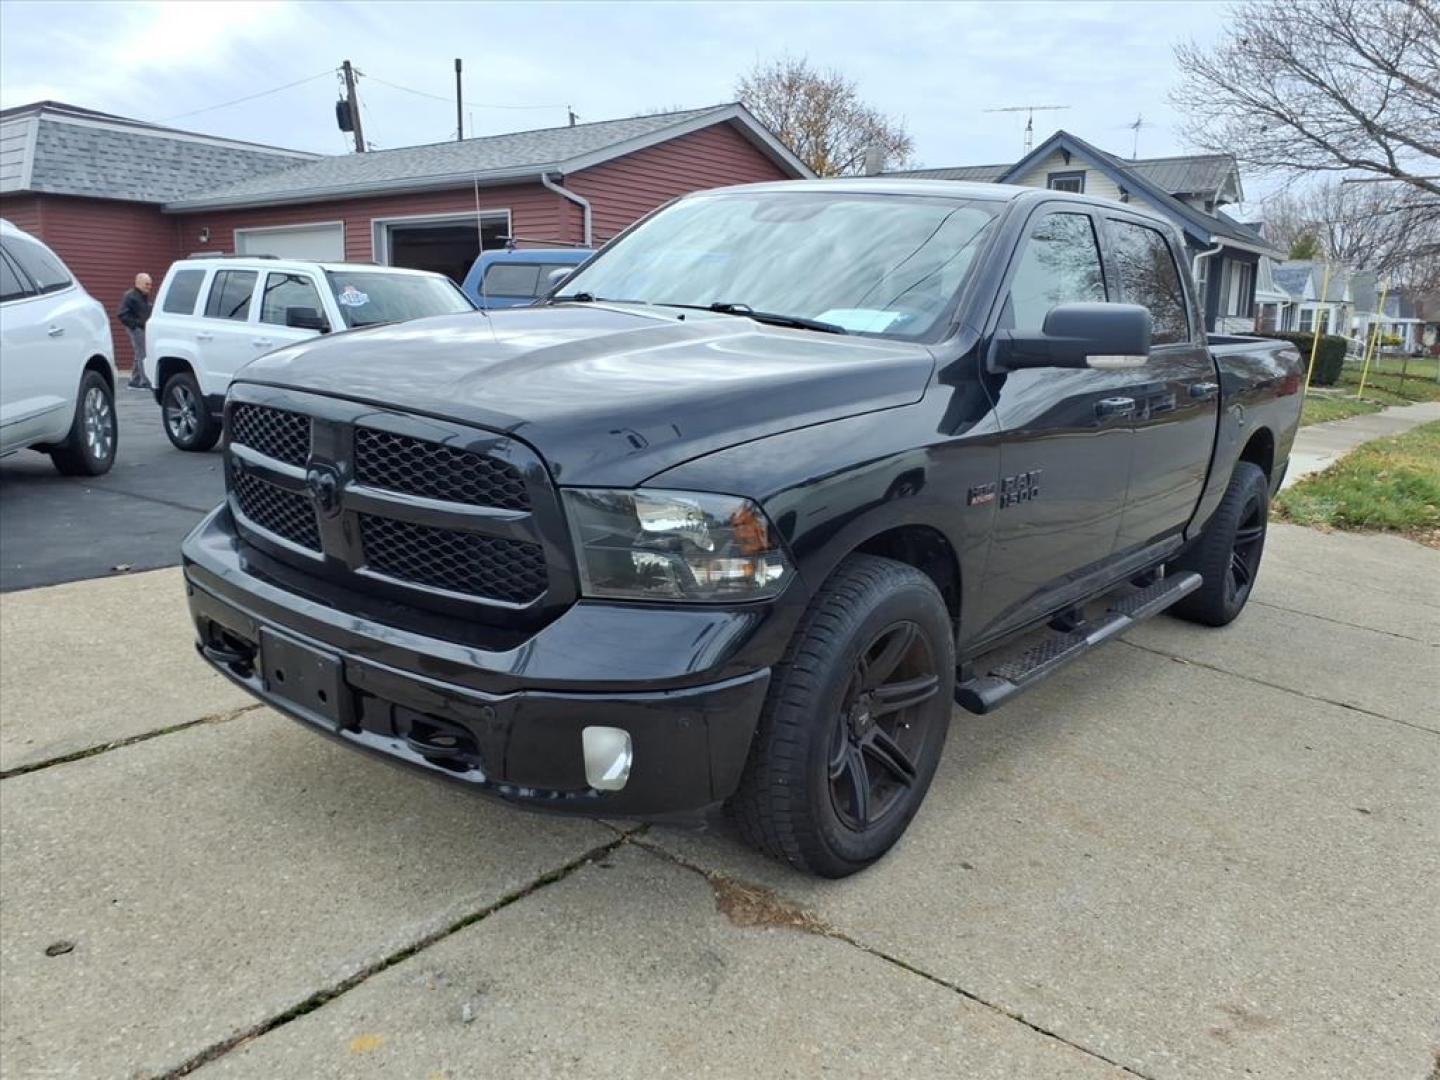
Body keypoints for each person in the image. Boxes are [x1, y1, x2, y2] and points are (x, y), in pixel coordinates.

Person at [118, 273, 153, 390]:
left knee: (139, 353)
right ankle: (145, 381)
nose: (149, 286)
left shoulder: (143, 296)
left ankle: (135, 380)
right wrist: (135, 325)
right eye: (146, 284)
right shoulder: (130, 296)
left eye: (150, 284)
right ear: (138, 283)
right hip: (136, 328)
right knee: (143, 353)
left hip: (142, 328)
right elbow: (122, 314)